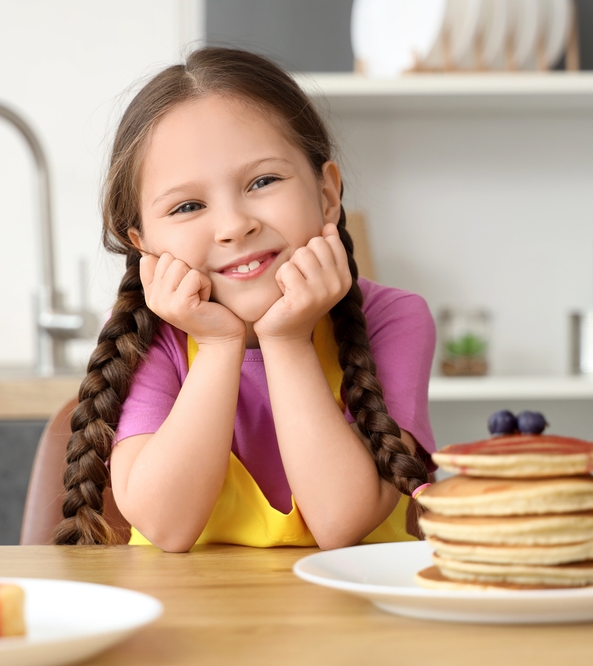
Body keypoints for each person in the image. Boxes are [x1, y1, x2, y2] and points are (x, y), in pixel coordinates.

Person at [53, 47, 436, 552]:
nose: (235, 225)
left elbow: (343, 522)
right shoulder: (149, 337)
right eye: (188, 206)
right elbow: (167, 528)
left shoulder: (394, 318)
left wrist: (287, 340)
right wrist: (216, 346)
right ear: (142, 242)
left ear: (326, 194)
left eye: (263, 181)